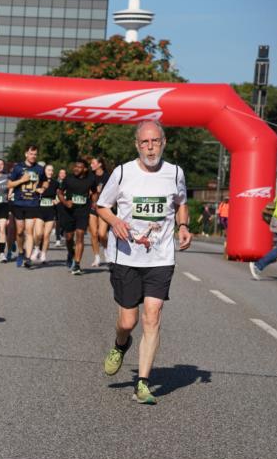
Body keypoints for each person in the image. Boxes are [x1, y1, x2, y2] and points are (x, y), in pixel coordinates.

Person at [96, 120, 192, 405]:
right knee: (128, 321)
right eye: (145, 143)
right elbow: (102, 205)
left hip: (160, 257)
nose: (150, 148)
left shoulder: (175, 173)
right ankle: (120, 344)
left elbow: (181, 202)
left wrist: (183, 225)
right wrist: (115, 221)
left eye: (155, 142)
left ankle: (143, 383)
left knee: (153, 315)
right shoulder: (123, 172)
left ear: (164, 143)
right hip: (126, 256)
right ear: (137, 145)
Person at [7, 145, 47, 267]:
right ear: (26, 154)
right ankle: (21, 252)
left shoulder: (39, 169)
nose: (33, 156)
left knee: (29, 231)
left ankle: (28, 258)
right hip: (19, 203)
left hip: (32, 203)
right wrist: (21, 180)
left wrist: (42, 188)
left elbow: (45, 181)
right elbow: (9, 184)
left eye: (35, 154)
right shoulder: (18, 168)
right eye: (31, 154)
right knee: (20, 232)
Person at [57, 158, 97, 275]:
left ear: (85, 169)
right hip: (69, 211)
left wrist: (94, 202)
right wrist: (65, 202)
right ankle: (71, 253)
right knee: (69, 238)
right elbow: (59, 192)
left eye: (79, 167)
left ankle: (77, 264)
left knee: (80, 235)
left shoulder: (91, 179)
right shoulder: (68, 178)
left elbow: (94, 192)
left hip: (83, 211)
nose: (76, 169)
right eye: (75, 166)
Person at [88, 156, 111, 267]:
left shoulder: (108, 177)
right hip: (92, 207)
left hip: (103, 207)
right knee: (94, 234)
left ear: (100, 164)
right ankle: (97, 257)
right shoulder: (90, 176)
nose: (91, 165)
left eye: (93, 163)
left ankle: (106, 251)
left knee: (102, 234)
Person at [37, 163, 59, 264]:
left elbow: (58, 195)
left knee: (46, 235)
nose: (51, 172)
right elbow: (35, 192)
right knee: (39, 234)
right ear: (44, 171)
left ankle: (43, 254)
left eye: (52, 170)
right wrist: (40, 189)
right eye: (48, 170)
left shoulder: (55, 183)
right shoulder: (39, 181)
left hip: (50, 210)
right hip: (39, 210)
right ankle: (37, 248)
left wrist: (57, 200)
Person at [54, 168, 67, 246]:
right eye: (61, 173)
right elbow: (52, 192)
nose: (62, 174)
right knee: (58, 221)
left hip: (65, 203)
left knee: (64, 221)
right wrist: (54, 200)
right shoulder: (55, 182)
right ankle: (58, 239)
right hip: (57, 203)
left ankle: (62, 234)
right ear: (58, 174)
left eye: (64, 173)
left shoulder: (68, 182)